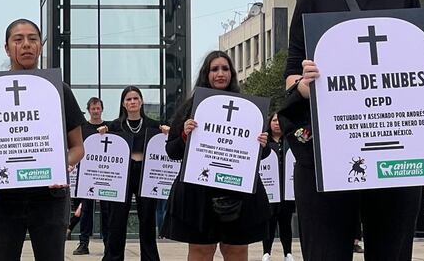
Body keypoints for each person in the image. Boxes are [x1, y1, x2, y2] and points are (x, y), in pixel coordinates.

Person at [282, 0, 424, 261]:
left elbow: (415, 64)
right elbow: (291, 75)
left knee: (392, 252)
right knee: (325, 252)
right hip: (328, 151)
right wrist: (304, 86)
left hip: (393, 149)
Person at [0, 18, 85, 261]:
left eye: (32, 39)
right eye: (18, 39)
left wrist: (63, 165)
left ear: (40, 46)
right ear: (7, 48)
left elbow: (78, 147)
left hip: (49, 198)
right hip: (1, 199)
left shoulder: (59, 90)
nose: (26, 44)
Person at [162, 50, 271, 261]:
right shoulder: (190, 108)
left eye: (225, 68)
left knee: (236, 251)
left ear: (232, 73)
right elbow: (172, 152)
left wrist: (263, 144)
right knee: (201, 251)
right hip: (198, 193)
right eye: (214, 69)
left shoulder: (249, 108)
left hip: (238, 190)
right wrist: (184, 135)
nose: (220, 74)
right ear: (206, 73)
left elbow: (261, 153)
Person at [101, 87, 167, 261]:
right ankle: (113, 258)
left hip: (145, 174)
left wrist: (167, 132)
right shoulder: (114, 125)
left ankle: (150, 258)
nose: (132, 102)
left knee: (147, 220)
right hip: (122, 174)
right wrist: (101, 133)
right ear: (123, 103)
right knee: (117, 220)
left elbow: (165, 143)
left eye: (135, 98)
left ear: (141, 101)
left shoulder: (153, 125)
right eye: (128, 99)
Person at [74, 97, 111, 255]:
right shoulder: (83, 128)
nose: (96, 111)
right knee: (86, 210)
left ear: (102, 109)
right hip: (87, 174)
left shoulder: (109, 127)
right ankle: (83, 243)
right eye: (93, 108)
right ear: (88, 110)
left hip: (105, 174)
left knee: (106, 210)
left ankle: (108, 243)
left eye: (98, 108)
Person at [262, 113, 295, 261]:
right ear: (269, 123)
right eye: (274, 120)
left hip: (286, 191)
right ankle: (266, 253)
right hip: (269, 190)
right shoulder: (264, 141)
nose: (277, 123)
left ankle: (288, 253)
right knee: (269, 223)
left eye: (280, 120)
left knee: (285, 223)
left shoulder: (290, 141)